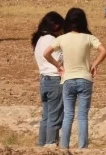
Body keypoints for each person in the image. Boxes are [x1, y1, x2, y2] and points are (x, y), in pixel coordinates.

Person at [43, 8, 106, 149]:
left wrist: (58, 66)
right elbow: (104, 50)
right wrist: (94, 64)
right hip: (85, 79)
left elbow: (46, 53)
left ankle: (64, 148)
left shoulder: (62, 38)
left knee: (68, 115)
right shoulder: (89, 38)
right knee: (83, 116)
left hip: (68, 79)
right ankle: (82, 148)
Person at [32, 11, 65, 147]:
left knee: (46, 117)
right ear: (56, 26)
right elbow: (59, 59)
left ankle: (41, 146)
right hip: (55, 80)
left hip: (44, 80)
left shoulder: (39, 40)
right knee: (54, 117)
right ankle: (51, 145)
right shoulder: (52, 41)